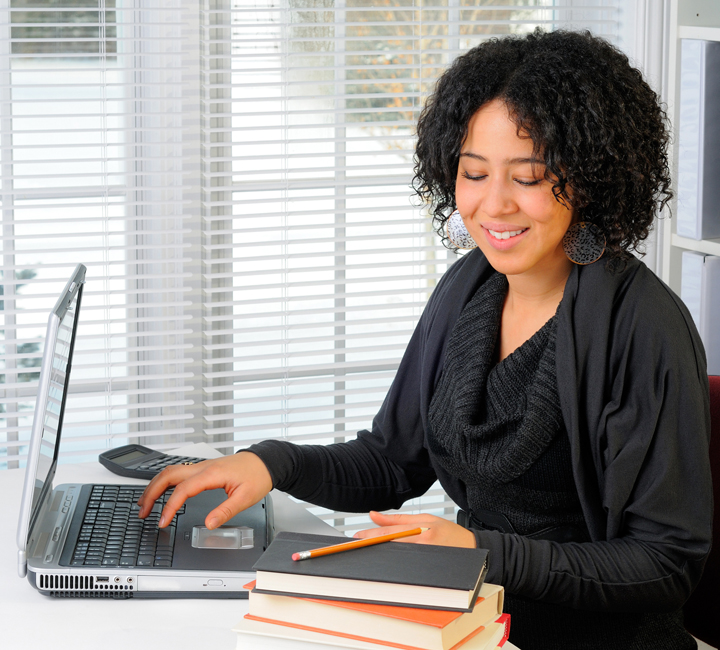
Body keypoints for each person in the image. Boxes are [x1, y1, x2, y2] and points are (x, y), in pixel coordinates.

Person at [138, 30, 712, 649]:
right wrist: (270, 463)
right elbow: (392, 460)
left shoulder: (642, 325)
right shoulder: (469, 288)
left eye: (529, 176)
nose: (493, 205)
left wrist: (477, 551)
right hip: (471, 622)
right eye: (473, 173)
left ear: (591, 178)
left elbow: (665, 563)